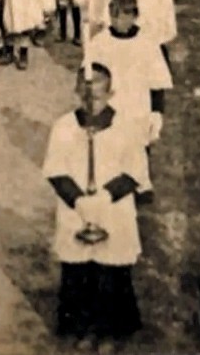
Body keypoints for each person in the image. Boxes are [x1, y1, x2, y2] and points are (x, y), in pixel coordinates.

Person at [43, 63, 151, 346]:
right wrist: (77, 199)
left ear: (111, 93)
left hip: (113, 207)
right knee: (78, 271)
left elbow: (135, 170)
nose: (92, 104)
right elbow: (54, 169)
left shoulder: (125, 126)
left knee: (110, 271)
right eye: (86, 96)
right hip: (76, 208)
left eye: (99, 97)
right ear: (77, 91)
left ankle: (110, 331)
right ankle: (80, 326)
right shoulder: (64, 126)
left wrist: (105, 196)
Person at [91, 0, 173, 151]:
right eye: (113, 17)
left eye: (121, 17)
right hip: (111, 110)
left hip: (138, 111)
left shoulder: (147, 44)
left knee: (138, 158)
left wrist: (156, 113)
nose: (117, 22)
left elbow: (157, 84)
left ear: (134, 16)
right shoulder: (100, 43)